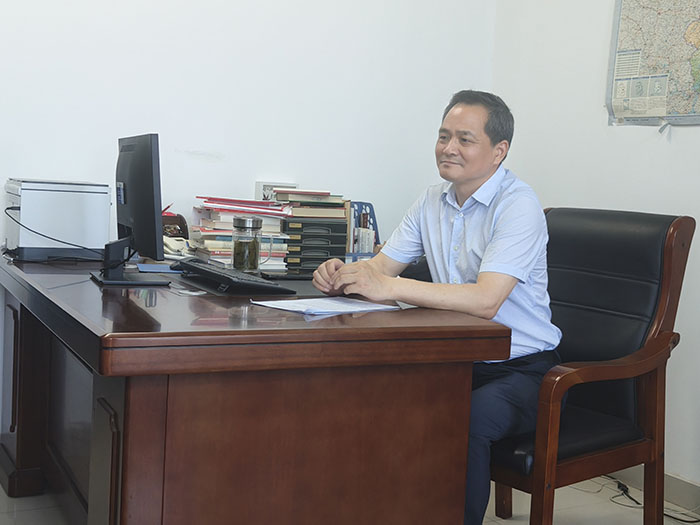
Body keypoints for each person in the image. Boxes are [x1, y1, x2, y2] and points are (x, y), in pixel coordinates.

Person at [312, 89, 562, 524]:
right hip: (455, 357)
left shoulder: (518, 206)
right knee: (367, 397)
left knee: (463, 420)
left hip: (523, 369)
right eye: (444, 136)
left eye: (465, 139)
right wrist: (343, 275)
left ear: (499, 151)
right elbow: (380, 268)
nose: (449, 148)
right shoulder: (432, 200)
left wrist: (386, 285)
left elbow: (486, 300)